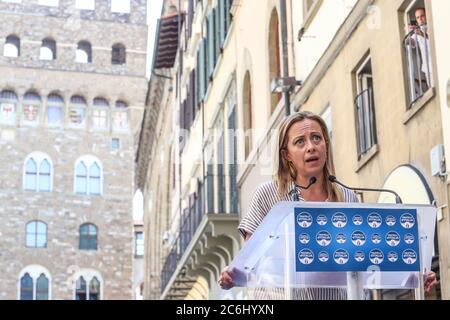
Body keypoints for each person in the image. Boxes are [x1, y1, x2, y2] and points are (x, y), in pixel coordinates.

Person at [218, 111, 437, 299]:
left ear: (326, 145)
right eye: (300, 142)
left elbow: (368, 259)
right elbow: (250, 261)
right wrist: (232, 276)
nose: (311, 147)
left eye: (316, 138)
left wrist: (413, 275)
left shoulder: (347, 198)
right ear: (287, 155)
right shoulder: (267, 196)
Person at [408, 7, 433, 89]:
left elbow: (433, 39)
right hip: (428, 69)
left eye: (422, 16)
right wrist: (409, 34)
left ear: (426, 15)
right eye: (418, 18)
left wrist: (421, 33)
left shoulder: (432, 26)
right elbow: (411, 43)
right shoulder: (416, 32)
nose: (420, 19)